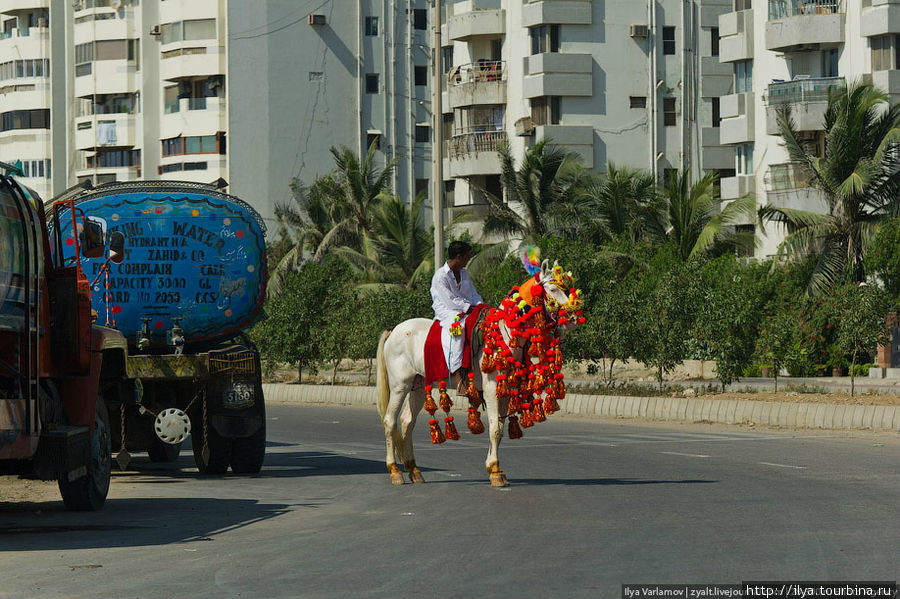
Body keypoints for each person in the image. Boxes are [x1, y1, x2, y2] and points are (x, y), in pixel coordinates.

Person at [431, 240, 483, 392]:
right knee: (458, 331)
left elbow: (473, 293)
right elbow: (450, 300)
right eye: (467, 257)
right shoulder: (440, 276)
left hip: (466, 309)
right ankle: (458, 375)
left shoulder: (464, 273)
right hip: (447, 311)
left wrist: (480, 306)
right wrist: (469, 307)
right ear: (459, 257)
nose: (468, 260)